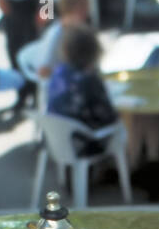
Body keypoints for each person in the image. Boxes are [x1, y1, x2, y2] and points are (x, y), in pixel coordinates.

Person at [46, 25, 118, 158]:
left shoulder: (58, 72)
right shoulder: (89, 80)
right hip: (80, 145)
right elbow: (109, 116)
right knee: (121, 128)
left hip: (54, 138)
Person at [34, 0, 91, 81]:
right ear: (73, 9)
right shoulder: (56, 34)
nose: (87, 13)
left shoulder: (80, 31)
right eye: (83, 9)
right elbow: (43, 71)